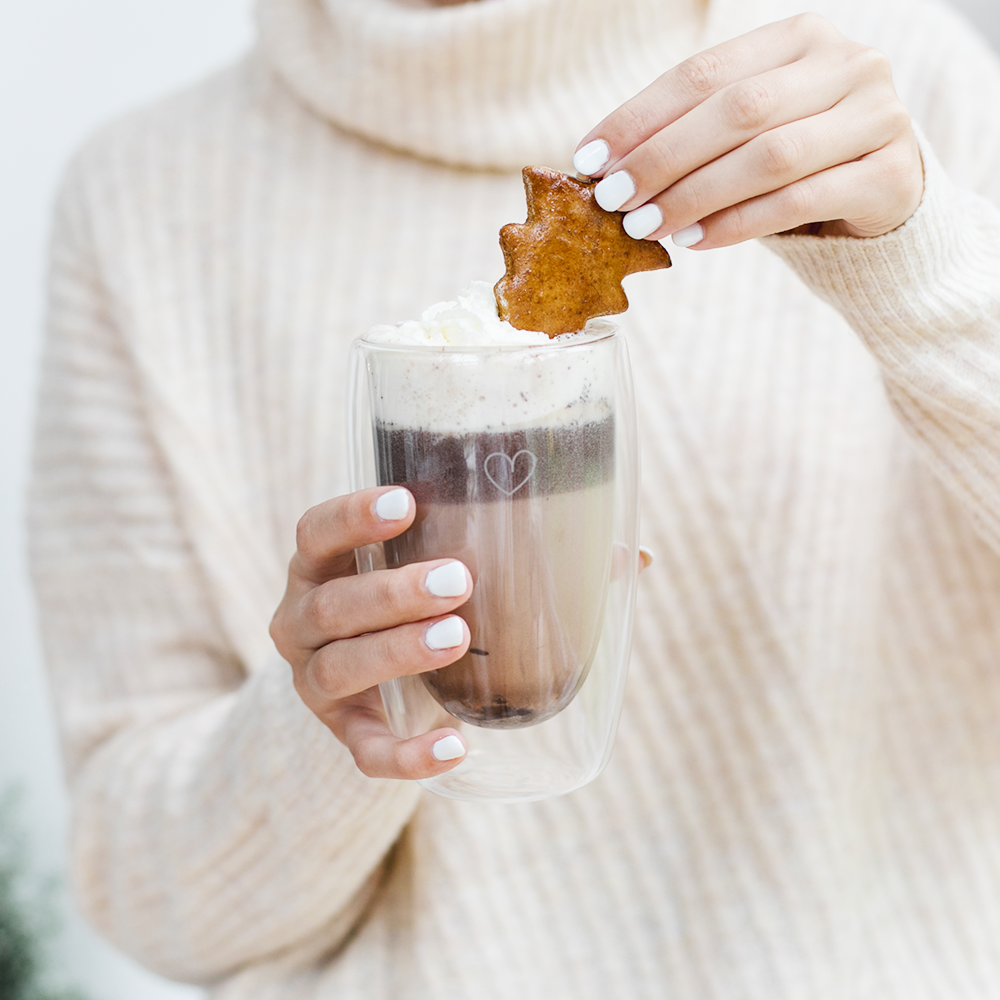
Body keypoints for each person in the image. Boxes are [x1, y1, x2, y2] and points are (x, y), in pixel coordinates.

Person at [28, 0, 1000, 995]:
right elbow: (144, 885)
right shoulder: (137, 200)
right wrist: (330, 720)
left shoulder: (870, 82)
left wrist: (920, 265)